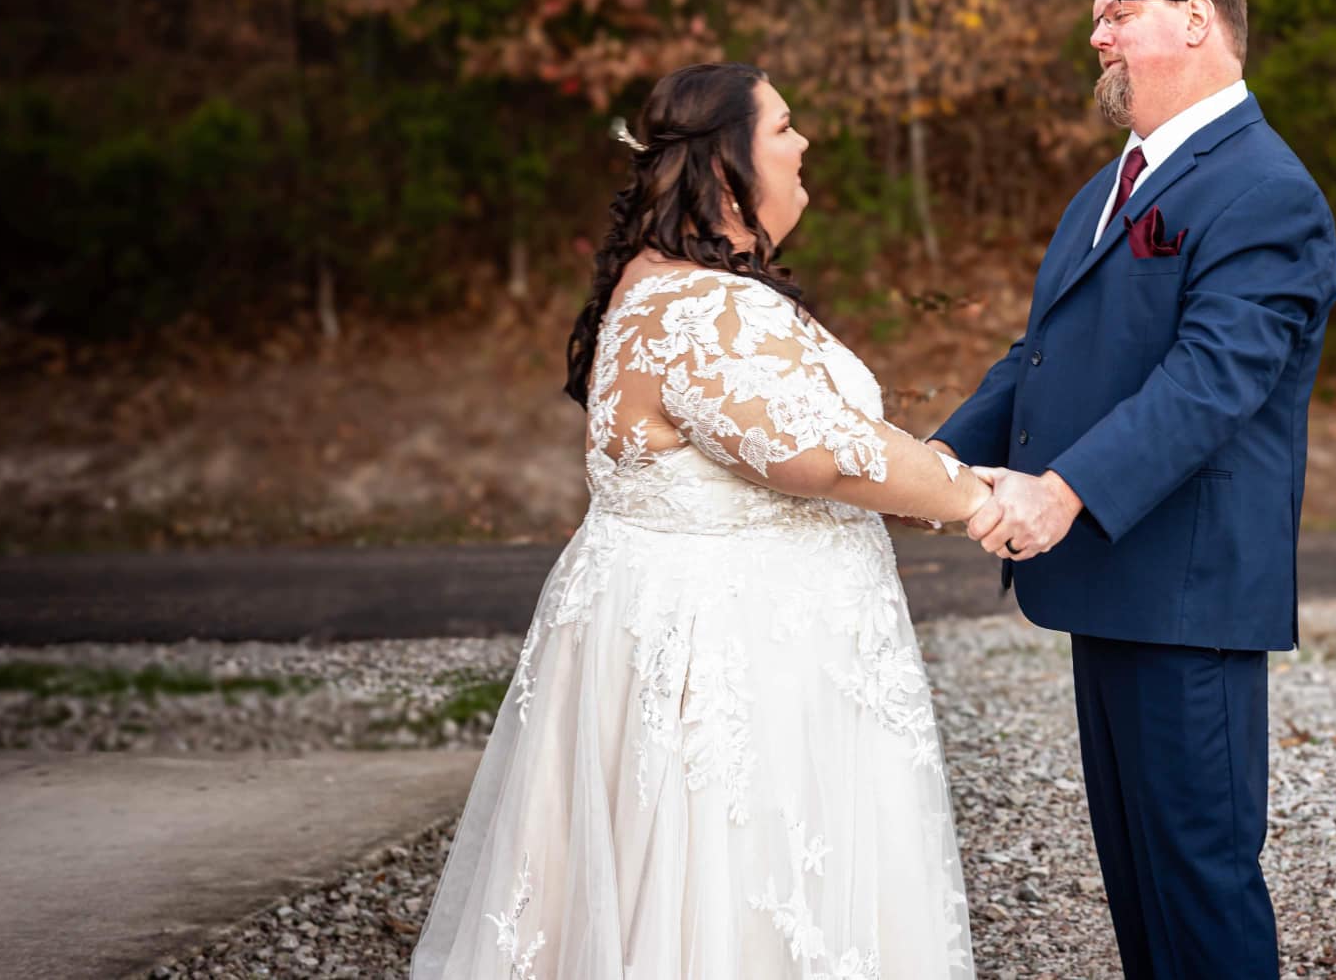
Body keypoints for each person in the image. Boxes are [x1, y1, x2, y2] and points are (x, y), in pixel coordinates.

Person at [412, 62, 984, 979]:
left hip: (700, 637)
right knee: (727, 900)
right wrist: (979, 498)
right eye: (786, 127)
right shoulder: (705, 309)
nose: (805, 144)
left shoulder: (660, 284)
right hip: (738, 666)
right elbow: (825, 453)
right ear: (726, 167)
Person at [928, 0, 1336, 979]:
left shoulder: (1263, 189)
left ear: (1195, 19)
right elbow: (1041, 360)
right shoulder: (1108, 187)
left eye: (1118, 10)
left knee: (1197, 872)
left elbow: (1211, 379)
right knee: (1136, 873)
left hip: (1185, 588)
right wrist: (922, 463)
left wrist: (1064, 488)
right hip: (1107, 580)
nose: (1095, 32)